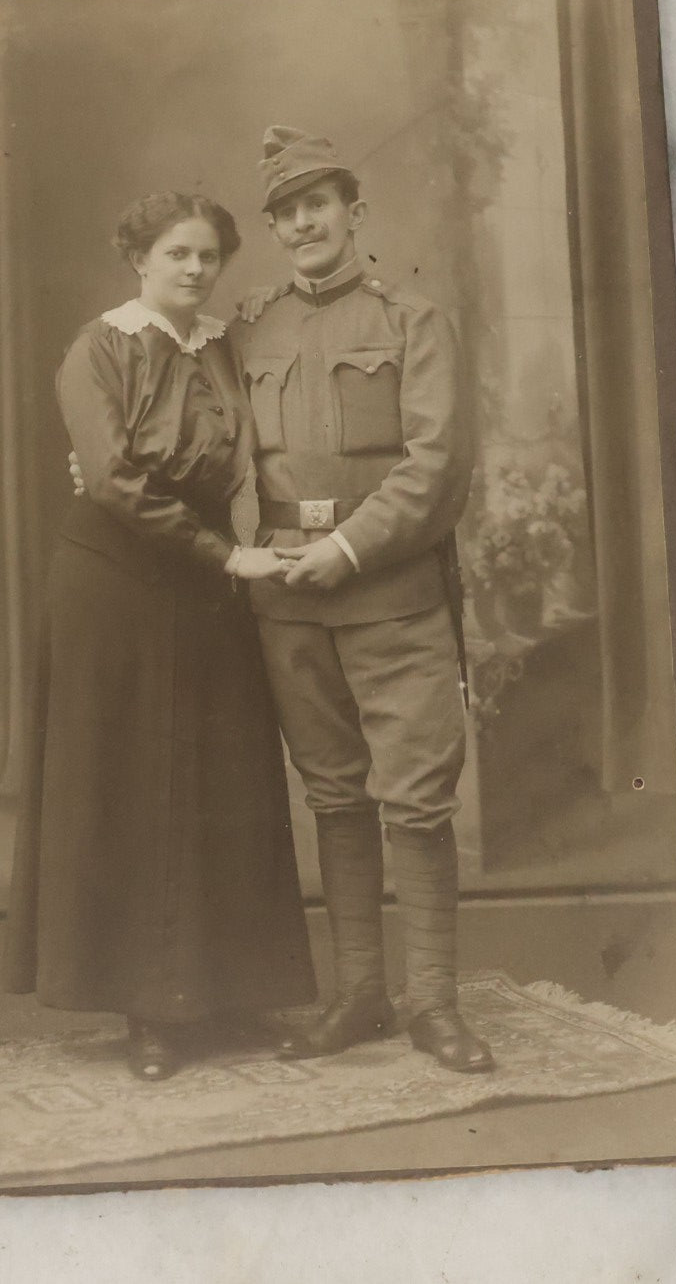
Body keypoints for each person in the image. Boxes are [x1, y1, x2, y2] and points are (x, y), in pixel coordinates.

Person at [3, 191, 316, 1082]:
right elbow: (109, 478)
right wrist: (226, 555)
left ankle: (238, 992)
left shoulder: (224, 345)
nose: (194, 269)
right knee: (137, 785)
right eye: (177, 253)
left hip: (211, 582)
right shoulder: (97, 348)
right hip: (117, 582)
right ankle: (152, 1010)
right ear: (139, 258)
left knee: (227, 776)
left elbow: (252, 446)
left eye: (208, 256)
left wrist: (233, 553)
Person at [234, 127, 494, 1073]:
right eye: (285, 211)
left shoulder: (411, 320)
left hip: (389, 596)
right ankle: (358, 996)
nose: (303, 222)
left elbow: (439, 466)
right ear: (272, 228)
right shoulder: (250, 327)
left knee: (417, 801)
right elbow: (210, 438)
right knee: (334, 796)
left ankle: (433, 1004)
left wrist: (347, 546)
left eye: (318, 203)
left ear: (354, 211)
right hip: (287, 604)